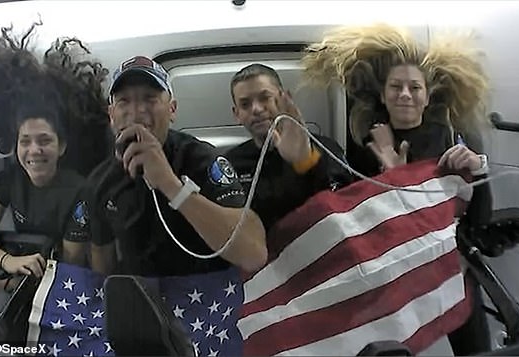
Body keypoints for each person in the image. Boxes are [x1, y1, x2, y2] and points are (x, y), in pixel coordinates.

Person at [301, 24, 493, 355]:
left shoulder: (452, 139)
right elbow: (365, 225)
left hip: (450, 265)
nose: (405, 94)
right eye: (396, 86)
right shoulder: (366, 145)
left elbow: (480, 220)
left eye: (414, 87)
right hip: (395, 276)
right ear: (383, 94)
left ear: (427, 96)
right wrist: (391, 177)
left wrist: (479, 170)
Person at [88, 55, 267, 356]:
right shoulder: (99, 183)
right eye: (124, 102)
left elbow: (253, 253)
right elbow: (102, 269)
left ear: (172, 109)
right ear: (111, 115)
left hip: (205, 311)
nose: (137, 111)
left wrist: (172, 186)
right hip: (144, 315)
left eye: (149, 98)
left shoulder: (201, 160)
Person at [0, 24, 111, 283]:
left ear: (62, 146)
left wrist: (8, 285)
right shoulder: (12, 180)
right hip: (27, 276)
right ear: (16, 146)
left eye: (44, 140)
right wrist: (7, 261)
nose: (34, 150)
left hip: (63, 285)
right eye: (26, 141)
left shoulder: (80, 191)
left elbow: (71, 262)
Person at [226, 63, 353, 233]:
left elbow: (344, 207)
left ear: (283, 98)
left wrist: (305, 162)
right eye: (245, 104)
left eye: (265, 98)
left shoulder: (325, 148)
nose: (256, 109)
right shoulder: (230, 164)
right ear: (237, 114)